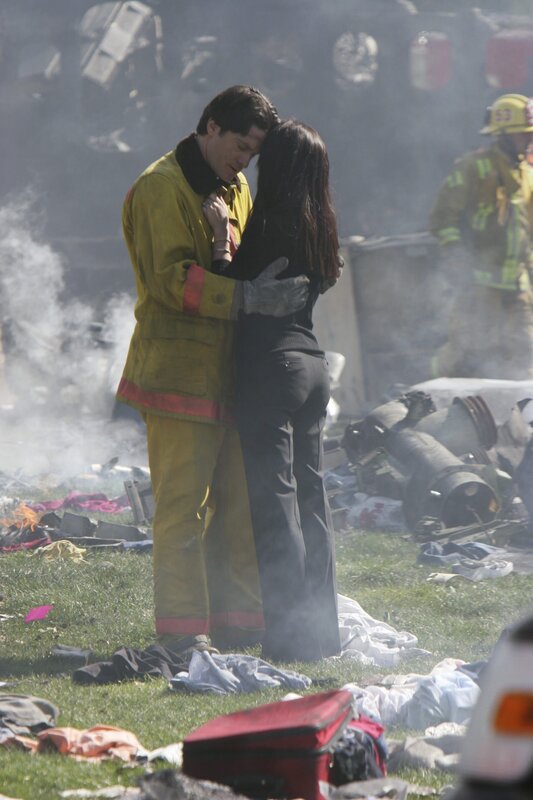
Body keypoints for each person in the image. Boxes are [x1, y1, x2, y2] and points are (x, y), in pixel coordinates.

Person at [116, 86, 310, 655]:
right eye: (239, 146)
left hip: (228, 375)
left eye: (252, 153)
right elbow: (171, 281)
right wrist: (249, 298)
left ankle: (238, 624)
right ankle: (180, 633)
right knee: (181, 510)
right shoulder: (160, 188)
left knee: (238, 507)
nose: (243, 161)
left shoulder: (235, 188)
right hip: (176, 376)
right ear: (210, 127)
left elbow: (233, 262)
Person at [202, 119, 343, 662]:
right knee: (313, 503)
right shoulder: (320, 224)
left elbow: (240, 292)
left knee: (274, 503)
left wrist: (220, 241)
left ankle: (288, 637)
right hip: (312, 366)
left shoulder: (273, 221)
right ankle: (320, 633)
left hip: (271, 369)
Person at [429, 93, 533, 380]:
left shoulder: (528, 175)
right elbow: (442, 218)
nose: (528, 141)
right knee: (466, 354)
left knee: (524, 353)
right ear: (503, 134)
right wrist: (456, 254)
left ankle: (520, 417)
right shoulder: (474, 167)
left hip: (518, 286)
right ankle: (433, 393)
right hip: (479, 284)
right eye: (523, 135)